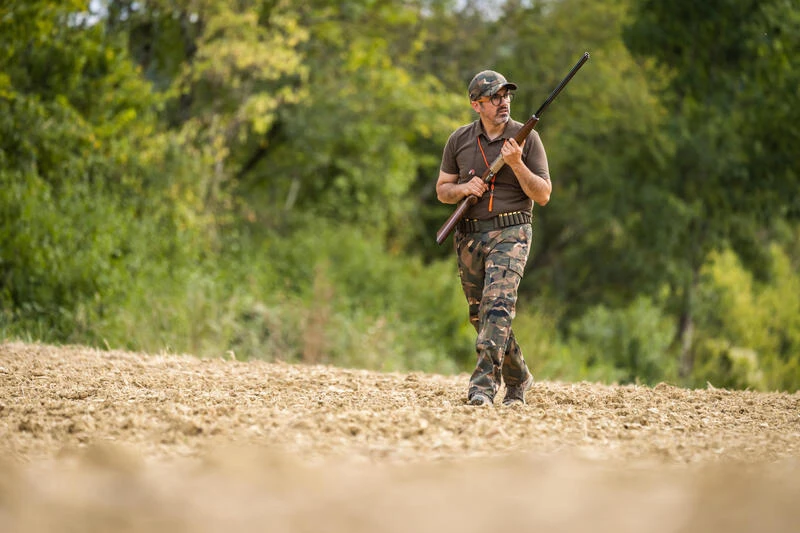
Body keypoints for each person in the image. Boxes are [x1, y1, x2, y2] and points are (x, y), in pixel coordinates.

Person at [436, 70, 551, 407]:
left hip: (512, 231)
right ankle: (519, 378)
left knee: (497, 308)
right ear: (477, 104)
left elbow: (543, 194)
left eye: (506, 95)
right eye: (495, 97)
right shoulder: (458, 140)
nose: (504, 102)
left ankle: (482, 388)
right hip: (470, 235)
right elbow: (443, 190)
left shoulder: (527, 138)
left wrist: (516, 164)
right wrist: (462, 189)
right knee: (481, 316)